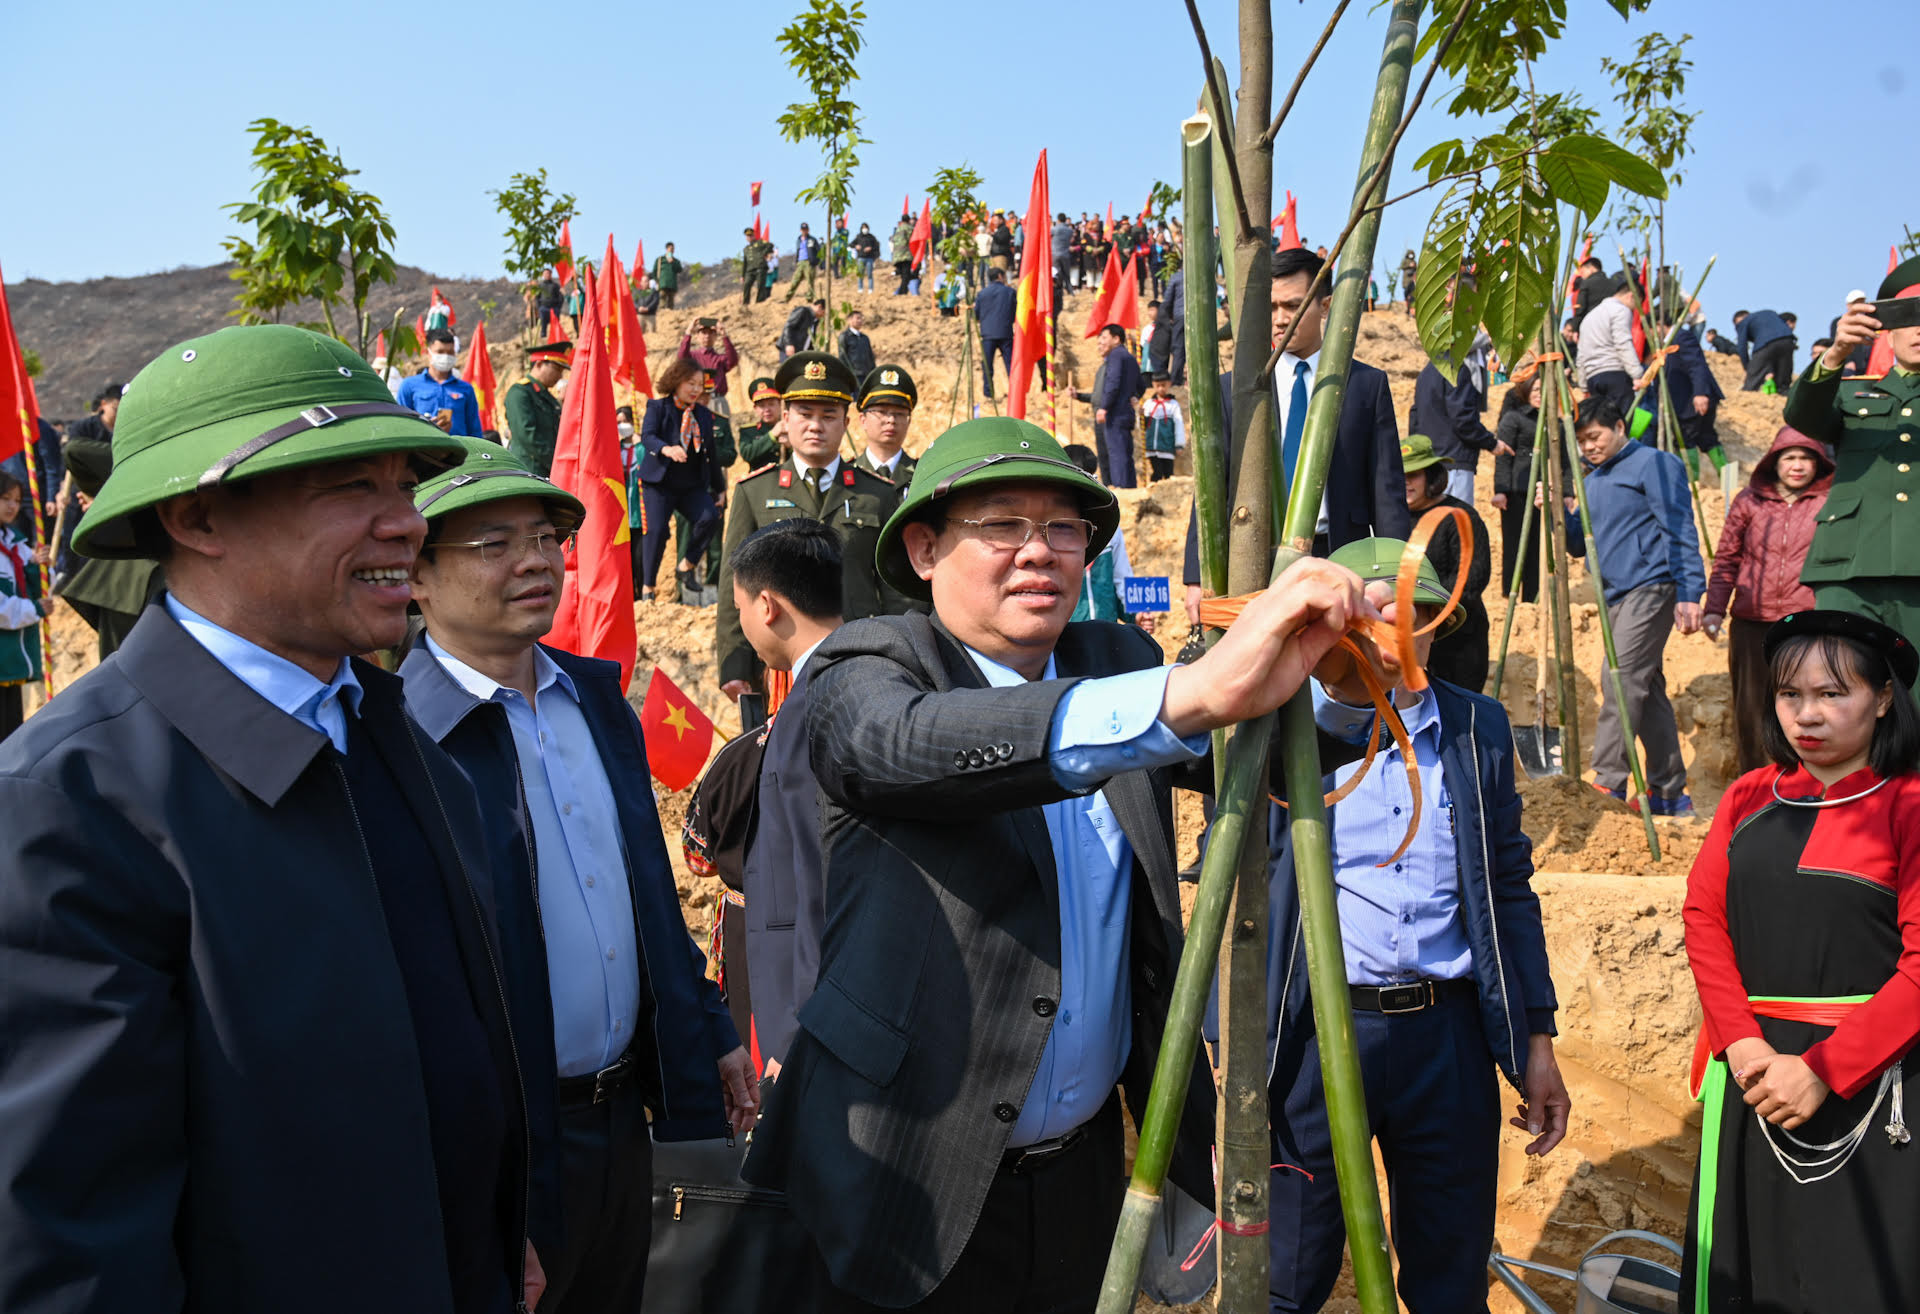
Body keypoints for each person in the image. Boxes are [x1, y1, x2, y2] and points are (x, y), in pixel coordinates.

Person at [742, 414, 1382, 1312]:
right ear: (923, 550)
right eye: (1002, 524)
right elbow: (895, 744)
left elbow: (1273, 757)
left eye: (1063, 529)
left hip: (1086, 1174)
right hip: (906, 1169)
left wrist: (1350, 686)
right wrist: (1192, 690)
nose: (1037, 552)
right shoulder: (869, 664)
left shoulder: (1114, 658)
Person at [0, 324, 545, 1313]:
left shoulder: (399, 740)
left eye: (403, 485)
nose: (407, 525)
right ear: (199, 516)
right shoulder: (63, 805)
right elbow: (70, 1249)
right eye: (350, 488)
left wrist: (487, 1226)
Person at [401, 440, 756, 1313]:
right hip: (508, 1146)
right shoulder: (399, 740)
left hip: (623, 1123)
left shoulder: (597, 704)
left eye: (546, 538)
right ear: (415, 575)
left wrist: (706, 1026)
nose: (533, 561)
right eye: (492, 544)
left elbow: (642, 894)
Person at [1263, 535, 1568, 1313]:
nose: (1398, 632)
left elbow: (1508, 885)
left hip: (1448, 1040)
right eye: (1373, 614)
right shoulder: (1274, 723)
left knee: (1448, 1278)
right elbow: (1238, 888)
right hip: (1317, 1038)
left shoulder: (1476, 728)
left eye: (1419, 614)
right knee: (1291, 1273)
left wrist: (1536, 1039)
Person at [1681, 609, 1920, 1313]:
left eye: (1831, 694)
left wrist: (1823, 1071)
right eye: (1791, 695)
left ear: (1882, 699)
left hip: (1874, 1083)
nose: (1806, 715)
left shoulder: (1907, 804)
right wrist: (1745, 1044)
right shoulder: (1750, 796)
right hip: (1753, 1077)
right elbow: (1704, 919)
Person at [1181, 246, 1412, 624]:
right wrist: (1196, 575)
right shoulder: (1236, 390)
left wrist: (1395, 575)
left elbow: (1386, 490)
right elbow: (1209, 488)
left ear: (1325, 305)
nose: (1279, 319)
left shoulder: (1365, 386)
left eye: (1291, 306)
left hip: (1339, 555)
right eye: (1270, 308)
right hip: (1254, 557)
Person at [730, 518, 847, 1075]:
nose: (744, 626)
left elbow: (819, 879)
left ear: (768, 605)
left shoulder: (814, 700)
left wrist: (804, 1031)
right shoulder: (847, 678)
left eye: (741, 610)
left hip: (814, 1025)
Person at [715, 352, 895, 696]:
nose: (816, 425)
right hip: (779, 667)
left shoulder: (878, 494)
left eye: (828, 415)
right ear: (785, 418)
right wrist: (735, 663)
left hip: (861, 659)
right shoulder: (755, 492)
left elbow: (894, 589)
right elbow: (733, 586)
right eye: (804, 414)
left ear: (845, 423)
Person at [1575, 394, 1705, 815]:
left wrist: (1690, 590)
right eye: (1582, 441)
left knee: (1619, 679)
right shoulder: (1591, 480)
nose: (1590, 447)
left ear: (1618, 428)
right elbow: (1579, 544)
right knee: (1645, 689)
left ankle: (1608, 781)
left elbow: (1679, 525)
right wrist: (1558, 513)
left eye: (1595, 437)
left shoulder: (1653, 463)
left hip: (1652, 585)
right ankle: (1669, 792)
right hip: (1614, 593)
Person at [1787, 258, 1920, 666]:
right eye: (1909, 316)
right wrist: (1837, 352)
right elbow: (1803, 417)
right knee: (1848, 690)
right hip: (1848, 566)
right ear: (1887, 330)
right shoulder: (1851, 393)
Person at [1703, 428, 1832, 775]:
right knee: (1752, 707)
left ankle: (1803, 783)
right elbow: (1727, 558)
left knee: (1806, 706)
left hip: (1805, 623)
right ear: (1774, 462)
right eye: (1789, 457)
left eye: (1806, 457)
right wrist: (1715, 608)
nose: (1797, 465)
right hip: (1751, 620)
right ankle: (1757, 787)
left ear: (1818, 463)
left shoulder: (1828, 502)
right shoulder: (1749, 501)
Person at [56, 384, 163, 659]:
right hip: (128, 587)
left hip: (147, 587)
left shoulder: (150, 459)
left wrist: (103, 497)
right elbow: (75, 450)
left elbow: (76, 451)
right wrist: (104, 497)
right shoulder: (151, 459)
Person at [1400, 434, 1492, 690]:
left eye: (1413, 476)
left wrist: (1430, 616)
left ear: (1431, 476)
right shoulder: (1393, 518)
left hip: (1457, 638)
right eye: (1400, 475)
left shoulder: (1460, 517)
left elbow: (1471, 580)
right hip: (1407, 638)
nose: (1405, 483)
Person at [635, 356, 727, 603]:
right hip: (659, 484)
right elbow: (648, 436)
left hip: (690, 486)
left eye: (700, 385)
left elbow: (712, 455)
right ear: (676, 382)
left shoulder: (704, 416)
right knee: (656, 531)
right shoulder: (658, 407)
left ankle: (686, 565)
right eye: (691, 383)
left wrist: (720, 489)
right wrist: (667, 449)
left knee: (709, 516)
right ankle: (648, 588)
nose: (696, 389)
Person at [1490, 372, 1572, 603]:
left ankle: (1533, 595)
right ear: (1525, 392)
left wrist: (1567, 493)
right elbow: (1503, 459)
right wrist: (1501, 490)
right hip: (1517, 491)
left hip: (1543, 492)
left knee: (1538, 545)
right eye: (1535, 390)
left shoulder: (1556, 424)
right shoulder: (1513, 419)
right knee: (1515, 544)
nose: (1539, 395)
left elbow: (1564, 461)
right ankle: (1510, 594)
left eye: (1543, 390)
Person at [1061, 444, 1147, 628]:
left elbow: (1123, 581)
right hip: (1064, 639)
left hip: (1106, 637)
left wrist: (1137, 615)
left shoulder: (1111, 530)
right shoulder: (1052, 533)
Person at [672, 372, 739, 602]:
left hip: (712, 491)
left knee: (714, 545)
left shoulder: (718, 421)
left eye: (704, 396)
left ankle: (712, 591)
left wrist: (708, 451)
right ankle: (684, 592)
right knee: (685, 540)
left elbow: (731, 454)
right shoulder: (676, 419)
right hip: (685, 491)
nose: (699, 400)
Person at [0, 471, 47, 741]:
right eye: (5, 498)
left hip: (13, 660)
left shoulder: (16, 543)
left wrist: (38, 565)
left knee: (12, 732)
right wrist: (35, 609)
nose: (12, 506)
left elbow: (40, 588)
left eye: (16, 500)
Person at [1645, 314, 1726, 468]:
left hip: (1692, 400)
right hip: (1686, 402)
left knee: (1688, 438)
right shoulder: (1666, 344)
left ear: (1659, 324)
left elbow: (1696, 365)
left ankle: (1693, 481)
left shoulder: (1681, 337)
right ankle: (1725, 481)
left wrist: (1700, 393)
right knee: (1707, 439)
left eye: (1650, 328)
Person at [396, 328, 484, 437]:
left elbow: (474, 429)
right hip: (423, 450)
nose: (446, 356)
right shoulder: (409, 385)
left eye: (450, 352)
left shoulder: (466, 389)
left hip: (459, 449)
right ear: (429, 353)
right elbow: (401, 425)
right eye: (440, 352)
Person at [504, 339, 570, 476]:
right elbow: (527, 435)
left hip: (548, 470)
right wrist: (555, 463)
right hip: (530, 470)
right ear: (539, 364)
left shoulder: (547, 397)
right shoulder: (520, 393)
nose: (559, 376)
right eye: (557, 369)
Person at [1577, 272, 1642, 410]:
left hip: (1593, 379)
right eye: (1637, 304)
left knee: (1606, 423)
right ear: (1632, 296)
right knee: (1621, 424)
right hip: (1614, 374)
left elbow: (1581, 355)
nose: (1635, 309)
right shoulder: (1621, 310)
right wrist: (1637, 374)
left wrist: (1583, 386)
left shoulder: (1589, 317)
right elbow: (1623, 343)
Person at [1093, 323, 1143, 488]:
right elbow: (1141, 385)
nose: (1102, 341)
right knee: (1126, 453)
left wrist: (1104, 407)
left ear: (1116, 339)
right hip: (1127, 413)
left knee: (1117, 454)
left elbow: (1113, 383)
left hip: (1115, 413)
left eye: (1105, 337)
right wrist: (1134, 397)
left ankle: (1121, 489)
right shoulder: (1130, 357)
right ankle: (1130, 487)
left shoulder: (1115, 356)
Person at [677, 317, 740, 416]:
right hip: (697, 399)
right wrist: (688, 333)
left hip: (717, 400)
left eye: (711, 333)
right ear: (697, 336)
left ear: (715, 336)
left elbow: (733, 360)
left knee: (720, 430)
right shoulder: (692, 357)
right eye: (703, 333)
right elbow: (681, 358)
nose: (707, 336)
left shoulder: (720, 359)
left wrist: (724, 335)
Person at [975, 267, 1016, 400]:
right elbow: (1015, 311)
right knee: (1010, 364)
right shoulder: (1010, 292)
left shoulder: (982, 293)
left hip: (987, 333)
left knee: (987, 365)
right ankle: (1015, 392)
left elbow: (976, 315)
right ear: (1000, 276)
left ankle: (988, 394)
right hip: (1005, 332)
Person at [1734, 308, 1796, 392]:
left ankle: (1747, 394)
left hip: (1765, 344)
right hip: (1787, 340)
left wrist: (1748, 368)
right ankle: (1783, 392)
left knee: (1752, 382)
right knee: (1783, 382)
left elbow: (1742, 347)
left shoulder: (1743, 323)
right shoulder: (1769, 312)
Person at [1141, 371, 1186, 482]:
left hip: (1167, 446)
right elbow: (1142, 426)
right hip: (1152, 447)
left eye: (1163, 385)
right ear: (1153, 385)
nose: (1161, 388)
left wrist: (1179, 445)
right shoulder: (1148, 404)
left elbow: (1178, 424)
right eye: (1158, 386)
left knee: (1168, 473)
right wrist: (1140, 415)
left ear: (1169, 384)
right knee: (1157, 472)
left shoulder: (1173, 405)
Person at [736, 376, 785, 469]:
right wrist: (772, 435)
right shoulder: (748, 431)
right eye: (762, 406)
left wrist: (790, 447)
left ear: (779, 404)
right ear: (755, 409)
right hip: (759, 481)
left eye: (771, 404)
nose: (767, 410)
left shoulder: (789, 428)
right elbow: (747, 454)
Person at [838, 309, 876, 383]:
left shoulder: (865, 338)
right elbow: (842, 357)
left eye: (861, 318)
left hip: (866, 374)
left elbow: (870, 356)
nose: (860, 320)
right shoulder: (845, 336)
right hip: (853, 375)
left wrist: (873, 372)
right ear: (849, 320)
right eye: (858, 318)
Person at [788, 223, 822, 301]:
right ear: (800, 230)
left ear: (808, 230)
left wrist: (815, 261)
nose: (804, 231)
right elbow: (798, 250)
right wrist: (796, 260)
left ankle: (809, 299)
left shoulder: (812, 239)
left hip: (809, 262)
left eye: (806, 229)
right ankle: (787, 298)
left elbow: (819, 251)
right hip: (800, 262)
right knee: (795, 281)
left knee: (810, 281)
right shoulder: (798, 240)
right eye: (803, 230)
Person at [742, 227, 770, 306]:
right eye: (748, 236)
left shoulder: (760, 243)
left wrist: (763, 253)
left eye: (751, 235)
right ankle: (745, 303)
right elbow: (745, 262)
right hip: (750, 270)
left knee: (760, 284)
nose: (749, 237)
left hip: (760, 268)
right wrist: (742, 275)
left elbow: (770, 245)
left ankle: (760, 302)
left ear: (754, 236)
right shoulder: (746, 249)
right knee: (747, 284)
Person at [652, 242, 684, 309]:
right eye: (671, 248)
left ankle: (670, 313)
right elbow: (654, 271)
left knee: (671, 300)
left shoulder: (676, 261)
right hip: (663, 283)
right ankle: (662, 312)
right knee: (662, 299)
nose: (672, 250)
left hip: (672, 284)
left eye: (673, 249)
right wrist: (657, 281)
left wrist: (672, 262)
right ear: (667, 249)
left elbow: (679, 270)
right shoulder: (660, 260)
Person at [889, 214, 915, 296]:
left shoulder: (898, 229)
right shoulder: (909, 228)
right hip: (906, 255)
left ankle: (902, 291)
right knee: (905, 275)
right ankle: (902, 292)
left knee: (903, 275)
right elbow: (914, 239)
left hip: (897, 256)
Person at [851, 222, 881, 293]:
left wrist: (870, 248)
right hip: (861, 258)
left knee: (870, 274)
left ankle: (870, 289)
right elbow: (851, 244)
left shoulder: (871, 237)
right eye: (863, 228)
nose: (865, 229)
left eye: (866, 228)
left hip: (869, 258)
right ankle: (860, 288)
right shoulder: (858, 237)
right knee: (860, 274)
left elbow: (877, 246)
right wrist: (856, 246)